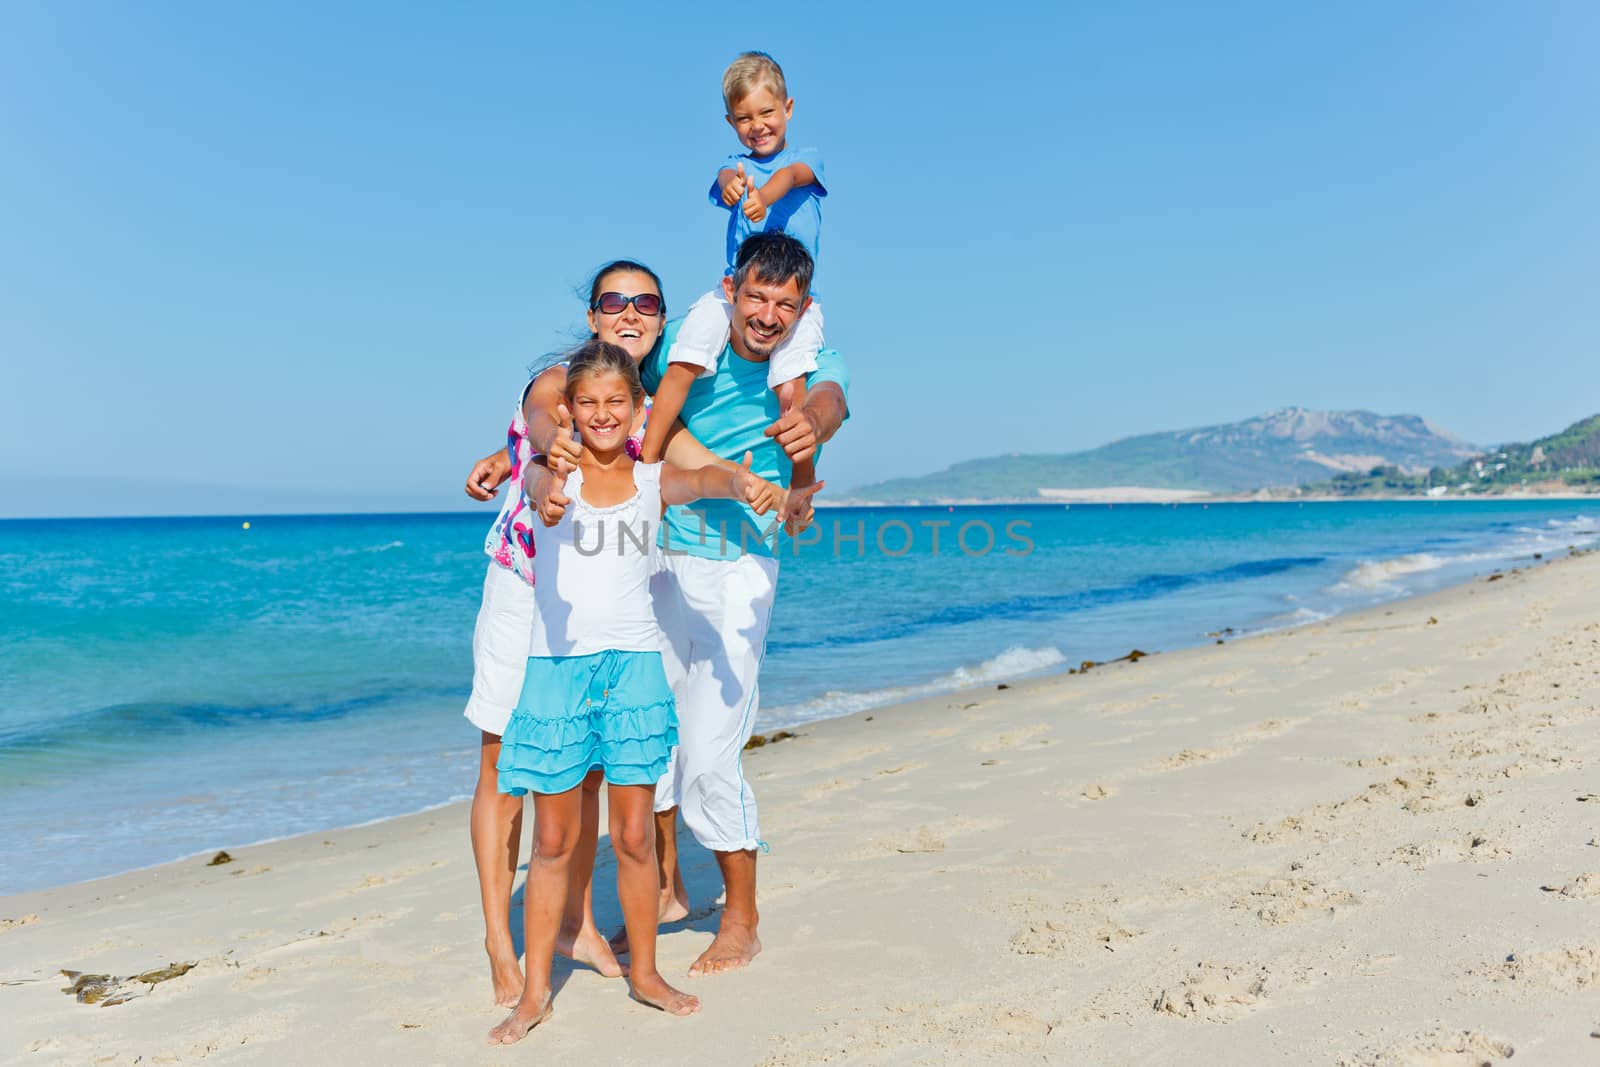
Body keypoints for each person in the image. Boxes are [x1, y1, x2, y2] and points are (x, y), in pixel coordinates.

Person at [461, 260, 783, 1006]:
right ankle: (498, 941)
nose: (630, 310)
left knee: (592, 774)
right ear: (593, 316)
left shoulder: (643, 411)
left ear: (662, 319)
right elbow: (544, 426)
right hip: (525, 584)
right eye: (614, 300)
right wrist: (541, 457)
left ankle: (577, 920)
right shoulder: (559, 386)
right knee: (508, 771)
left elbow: (692, 466)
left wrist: (759, 485)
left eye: (646, 301)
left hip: (600, 615)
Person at [640, 231, 848, 977]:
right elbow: (642, 414)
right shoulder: (687, 347)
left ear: (803, 310)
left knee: (711, 747)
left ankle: (742, 917)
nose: (767, 315)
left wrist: (811, 430)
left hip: (739, 569)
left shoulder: (809, 363)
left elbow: (831, 401)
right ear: (731, 288)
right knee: (651, 736)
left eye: (784, 305)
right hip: (658, 556)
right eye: (756, 296)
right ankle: (667, 889)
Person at [639, 51, 827, 492]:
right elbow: (723, 179)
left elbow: (793, 177)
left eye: (767, 113)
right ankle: (646, 460)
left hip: (791, 301)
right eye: (744, 118)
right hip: (733, 297)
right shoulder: (734, 164)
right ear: (731, 123)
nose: (758, 125)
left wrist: (764, 195)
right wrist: (731, 187)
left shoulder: (807, 159)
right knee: (685, 361)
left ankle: (802, 478)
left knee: (791, 379)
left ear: (788, 109)